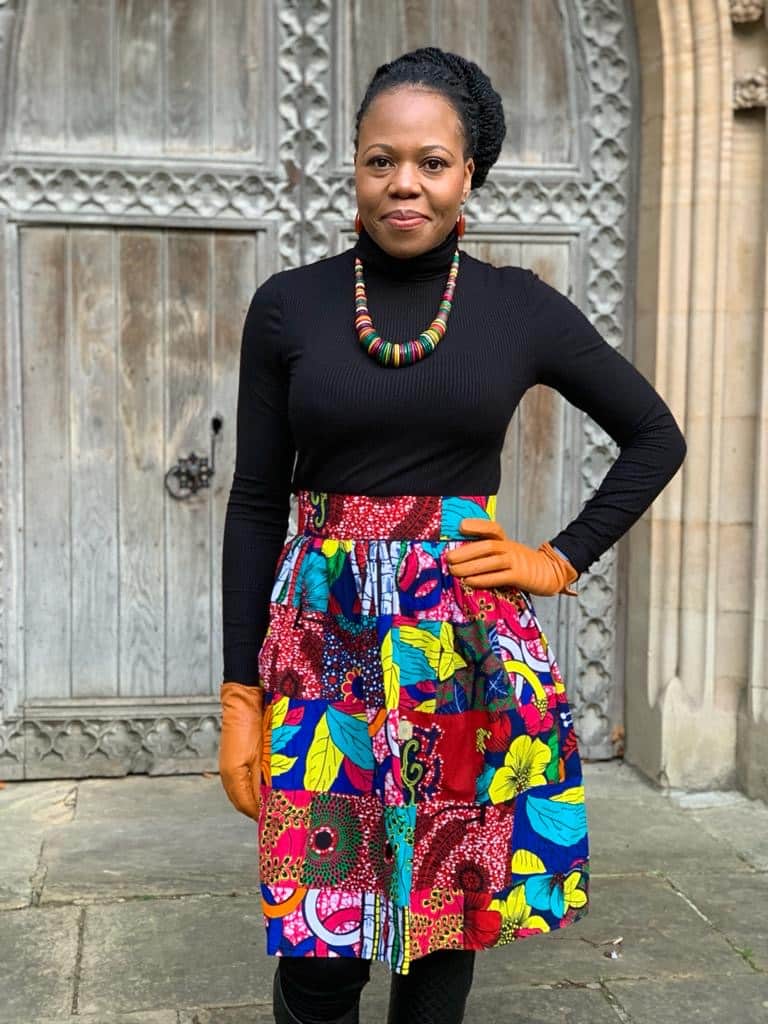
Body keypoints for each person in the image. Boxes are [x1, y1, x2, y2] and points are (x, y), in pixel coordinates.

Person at [218, 46, 686, 1024]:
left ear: (469, 173)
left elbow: (655, 436)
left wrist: (555, 560)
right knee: (320, 935)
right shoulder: (289, 306)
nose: (405, 183)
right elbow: (256, 501)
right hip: (323, 650)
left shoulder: (518, 308)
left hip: (460, 652)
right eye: (381, 159)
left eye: (432, 162)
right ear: (355, 165)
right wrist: (239, 696)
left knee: (438, 928)